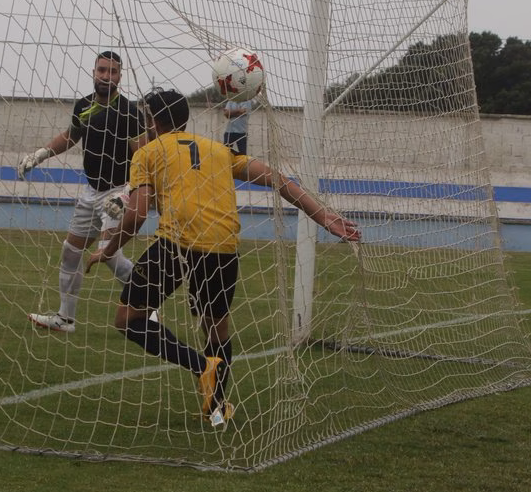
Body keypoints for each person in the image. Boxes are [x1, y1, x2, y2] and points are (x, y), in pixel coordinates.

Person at [86, 89, 360, 424]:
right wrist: (324, 216)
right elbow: (276, 178)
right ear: (184, 119)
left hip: (177, 243)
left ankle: (200, 366)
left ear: (151, 121)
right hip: (224, 247)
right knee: (215, 331)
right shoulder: (218, 150)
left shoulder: (148, 152)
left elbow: (139, 211)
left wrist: (109, 249)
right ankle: (216, 409)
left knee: (128, 320)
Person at [18, 50, 146, 333]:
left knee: (110, 255)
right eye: (102, 70)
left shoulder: (129, 113)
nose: (106, 76)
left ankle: (147, 310)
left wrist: (127, 194)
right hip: (91, 191)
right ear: (93, 72)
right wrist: (39, 155)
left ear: (120, 77)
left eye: (112, 72)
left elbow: (143, 158)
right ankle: (65, 319)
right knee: (71, 251)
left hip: (117, 193)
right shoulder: (84, 106)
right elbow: (70, 137)